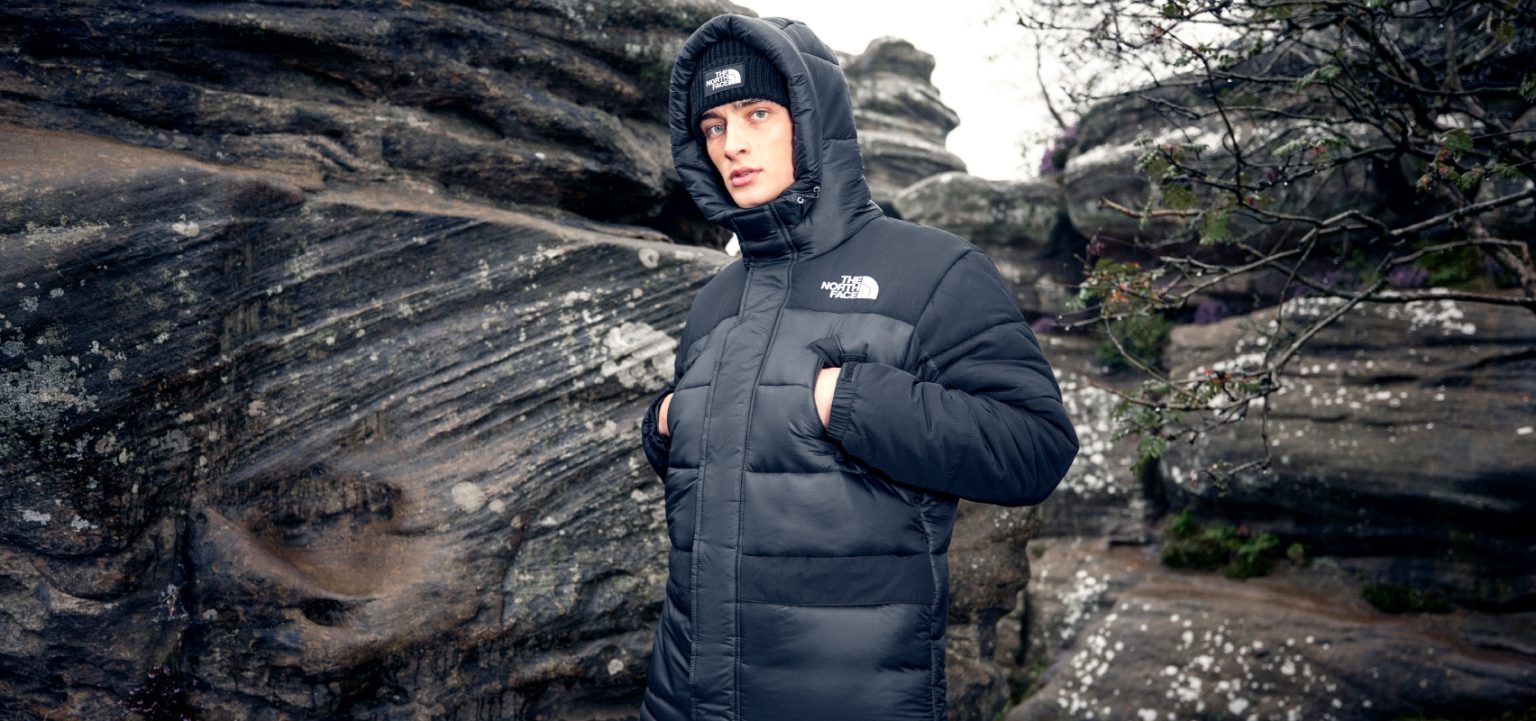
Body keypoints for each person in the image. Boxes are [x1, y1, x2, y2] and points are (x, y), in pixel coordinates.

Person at [637, 13, 1079, 721]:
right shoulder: (718, 299)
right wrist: (665, 425)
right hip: (683, 693)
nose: (732, 143)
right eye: (713, 125)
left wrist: (849, 401)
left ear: (813, 119)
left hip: (846, 697)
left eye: (757, 113)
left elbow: (1036, 449)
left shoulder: (933, 270)